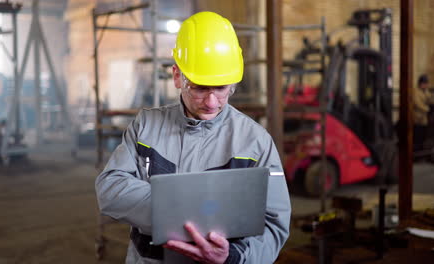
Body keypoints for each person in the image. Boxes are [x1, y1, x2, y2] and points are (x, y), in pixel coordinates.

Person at [95, 11, 291, 264]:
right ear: (177, 76)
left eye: (220, 88)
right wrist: (187, 212)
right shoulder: (146, 126)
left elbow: (275, 224)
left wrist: (233, 257)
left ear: (232, 83)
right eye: (199, 87)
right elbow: (110, 189)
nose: (211, 103)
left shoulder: (256, 142)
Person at [413, 74, 431, 152]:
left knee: (423, 134)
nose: (426, 85)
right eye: (425, 83)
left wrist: (426, 91)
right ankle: (416, 152)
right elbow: (417, 103)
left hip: (423, 117)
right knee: (417, 135)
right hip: (417, 116)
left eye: (426, 83)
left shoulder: (425, 91)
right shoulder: (415, 91)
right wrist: (427, 109)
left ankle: (421, 150)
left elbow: (429, 98)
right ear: (420, 83)